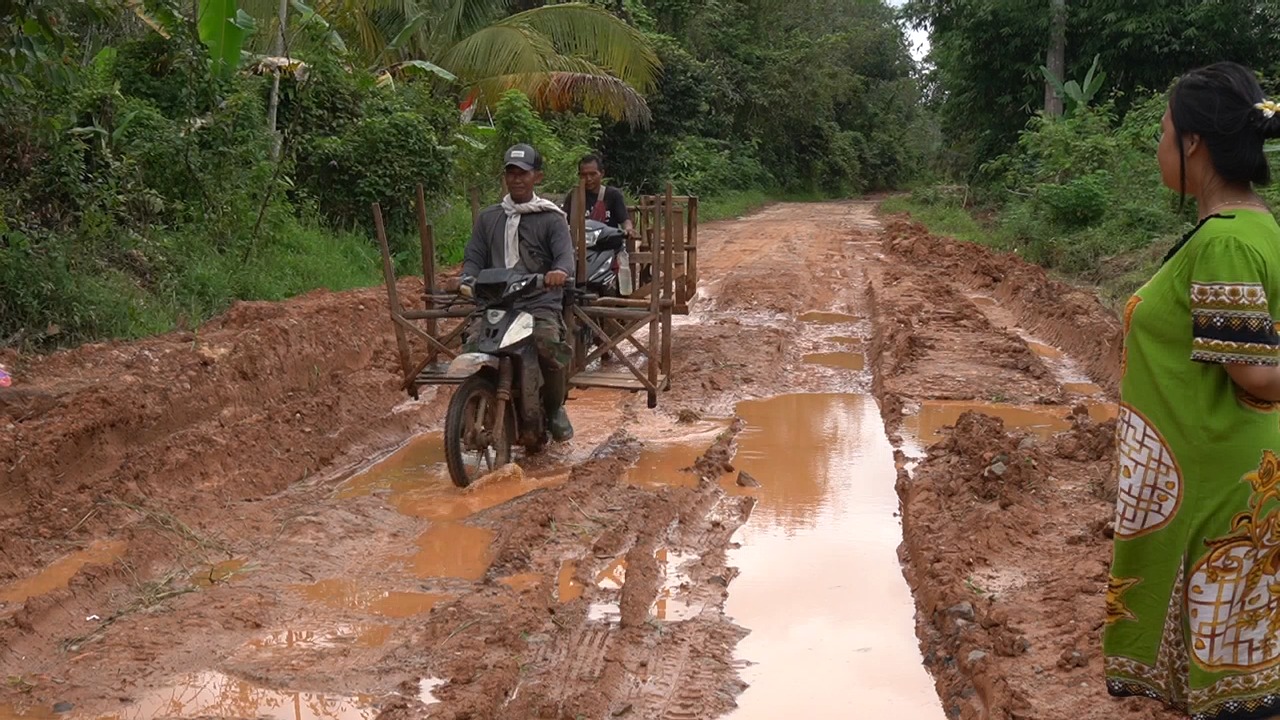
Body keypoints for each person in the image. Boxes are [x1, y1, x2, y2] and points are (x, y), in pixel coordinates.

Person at [1104, 61, 1280, 719]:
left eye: (1162, 131)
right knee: (1232, 658)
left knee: (1233, 672)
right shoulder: (1246, 228)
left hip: (1217, 483)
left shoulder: (1227, 242)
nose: (1158, 148)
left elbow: (1256, 371)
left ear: (1194, 144)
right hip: (1222, 469)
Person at [459, 143, 575, 442]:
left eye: (523, 173)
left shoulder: (552, 218)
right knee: (473, 344)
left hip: (538, 302)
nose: (516, 179)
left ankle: (554, 408)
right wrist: (467, 278)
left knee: (547, 344)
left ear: (537, 176)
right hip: (496, 302)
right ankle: (471, 409)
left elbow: (565, 258)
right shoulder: (489, 218)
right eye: (511, 173)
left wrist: (557, 273)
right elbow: (474, 256)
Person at [562, 154, 636, 237]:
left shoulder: (613, 195)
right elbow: (563, 221)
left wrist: (628, 229)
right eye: (584, 175)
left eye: (593, 174)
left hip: (611, 245)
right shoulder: (574, 196)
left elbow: (624, 220)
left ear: (602, 173)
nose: (588, 179)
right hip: (583, 246)